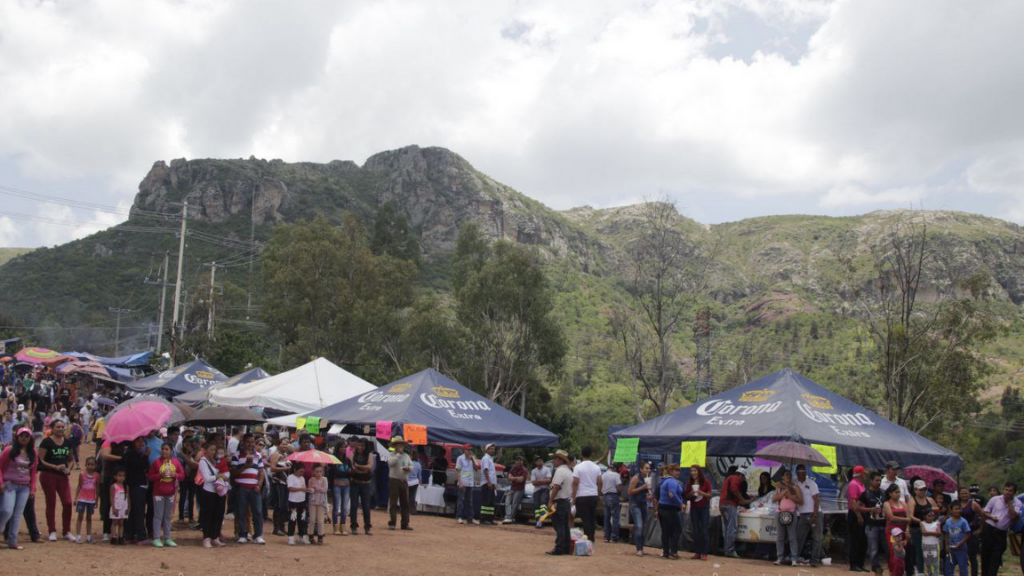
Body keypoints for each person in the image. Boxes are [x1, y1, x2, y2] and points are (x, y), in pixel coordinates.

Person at [37, 418, 75, 542]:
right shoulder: (46, 442)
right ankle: (52, 530)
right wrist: (55, 466)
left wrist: (69, 468)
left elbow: (71, 459)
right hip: (48, 475)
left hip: (63, 476)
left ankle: (66, 531)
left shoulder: (67, 442)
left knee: (68, 502)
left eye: (62, 427)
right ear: (52, 428)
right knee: (51, 502)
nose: (60, 429)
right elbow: (41, 460)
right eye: (57, 427)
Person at [0, 427, 38, 550]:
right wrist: (1, 483)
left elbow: (33, 472)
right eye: (22, 435)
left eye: (27, 436)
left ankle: (12, 541)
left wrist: (32, 488)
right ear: (17, 437)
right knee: (6, 511)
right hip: (10, 484)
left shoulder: (33, 452)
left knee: (17, 514)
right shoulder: (9, 450)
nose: (24, 438)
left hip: (24, 487)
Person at [231, 433, 266, 544]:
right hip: (241, 487)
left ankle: (258, 535)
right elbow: (234, 473)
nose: (250, 444)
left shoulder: (258, 456)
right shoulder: (236, 455)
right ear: (243, 443)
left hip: (254, 487)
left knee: (258, 512)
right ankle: (243, 534)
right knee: (241, 511)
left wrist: (259, 485)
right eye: (248, 442)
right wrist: (246, 465)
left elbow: (261, 473)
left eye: (252, 442)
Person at [979, 482, 1020, 576]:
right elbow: (984, 512)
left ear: (1014, 492)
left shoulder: (1018, 503)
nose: (1008, 492)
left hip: (1001, 534)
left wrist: (1009, 502)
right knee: (985, 556)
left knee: (996, 558)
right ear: (1003, 489)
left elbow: (1013, 516)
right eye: (1006, 490)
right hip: (989, 530)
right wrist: (991, 517)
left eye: (1010, 491)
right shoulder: (995, 499)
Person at [147, 443, 183, 548]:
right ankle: (157, 538)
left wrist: (175, 475)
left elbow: (182, 475)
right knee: (158, 516)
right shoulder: (156, 462)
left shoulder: (176, 462)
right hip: (158, 493)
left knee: (167, 516)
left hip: (170, 493)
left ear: (171, 451)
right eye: (162, 449)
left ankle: (167, 538)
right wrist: (159, 475)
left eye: (167, 449)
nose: (164, 451)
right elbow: (150, 476)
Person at [197, 440, 228, 548]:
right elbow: (206, 478)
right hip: (208, 491)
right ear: (205, 450)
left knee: (218, 515)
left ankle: (215, 537)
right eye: (211, 450)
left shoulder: (216, 461)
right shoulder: (203, 461)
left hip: (218, 491)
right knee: (208, 515)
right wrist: (218, 476)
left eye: (214, 450)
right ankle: (206, 537)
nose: (213, 452)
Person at [771, 467, 802, 566]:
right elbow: (774, 499)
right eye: (786, 475)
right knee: (780, 537)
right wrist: (782, 494)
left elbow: (801, 501)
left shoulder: (795, 487)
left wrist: (790, 496)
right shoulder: (779, 487)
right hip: (780, 512)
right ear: (783, 477)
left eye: (790, 474)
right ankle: (780, 557)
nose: (788, 476)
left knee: (792, 537)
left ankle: (794, 558)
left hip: (791, 513)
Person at [123, 436, 151, 544]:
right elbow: (138, 466)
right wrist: (146, 455)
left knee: (135, 510)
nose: (140, 443)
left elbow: (146, 467)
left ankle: (130, 534)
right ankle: (141, 536)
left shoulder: (137, 453)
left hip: (139, 484)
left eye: (141, 441)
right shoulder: (131, 454)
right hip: (135, 484)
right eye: (138, 441)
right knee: (138, 510)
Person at [545, 449, 573, 556]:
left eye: (555, 459)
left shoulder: (560, 471)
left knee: (559, 525)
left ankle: (559, 548)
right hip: (566, 501)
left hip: (559, 501)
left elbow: (556, 487)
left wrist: (550, 500)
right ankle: (566, 547)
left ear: (561, 460)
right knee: (565, 525)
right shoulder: (569, 471)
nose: (553, 461)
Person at [571, 445, 602, 542]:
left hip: (582, 496)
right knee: (592, 518)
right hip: (593, 495)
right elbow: (600, 482)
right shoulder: (596, 467)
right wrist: (598, 494)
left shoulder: (578, 467)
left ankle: (588, 539)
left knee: (585, 519)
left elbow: (575, 483)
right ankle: (591, 538)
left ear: (581, 454)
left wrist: (574, 496)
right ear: (591, 454)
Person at [860, 471, 888, 576]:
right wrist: (870, 509)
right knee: (873, 549)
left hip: (884, 524)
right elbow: (857, 507)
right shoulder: (866, 493)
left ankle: (890, 567)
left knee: (888, 548)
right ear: (871, 481)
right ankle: (876, 569)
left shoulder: (884, 493)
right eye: (876, 480)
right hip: (872, 525)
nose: (879, 482)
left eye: (880, 480)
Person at [720, 464, 750, 558]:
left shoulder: (729, 478)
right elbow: (734, 490)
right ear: (741, 475)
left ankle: (727, 550)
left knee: (727, 528)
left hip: (723, 504)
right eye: (743, 478)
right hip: (729, 505)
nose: (742, 480)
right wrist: (743, 500)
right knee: (732, 528)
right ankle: (730, 550)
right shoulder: (734, 478)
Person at [794, 464, 821, 567]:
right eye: (800, 471)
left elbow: (816, 500)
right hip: (803, 514)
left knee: (816, 538)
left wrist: (815, 515)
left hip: (815, 513)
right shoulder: (795, 484)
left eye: (803, 471)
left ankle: (814, 560)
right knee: (799, 537)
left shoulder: (812, 483)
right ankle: (795, 557)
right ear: (797, 472)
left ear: (806, 472)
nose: (802, 473)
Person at [683, 464, 712, 560]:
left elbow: (709, 495)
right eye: (691, 471)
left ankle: (705, 552)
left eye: (695, 471)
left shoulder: (706, 482)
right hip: (694, 508)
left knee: (704, 530)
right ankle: (697, 552)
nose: (693, 473)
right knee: (695, 530)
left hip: (704, 507)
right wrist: (691, 494)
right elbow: (686, 496)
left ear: (699, 472)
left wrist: (701, 492)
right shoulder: (689, 483)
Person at [655, 464, 683, 559]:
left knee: (666, 531)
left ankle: (666, 552)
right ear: (671, 472)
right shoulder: (672, 482)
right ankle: (673, 552)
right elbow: (671, 494)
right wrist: (680, 503)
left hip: (662, 508)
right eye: (676, 470)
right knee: (677, 530)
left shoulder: (665, 481)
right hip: (670, 509)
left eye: (679, 470)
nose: (678, 472)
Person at [910, 479, 938, 575]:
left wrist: (930, 512)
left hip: (930, 527)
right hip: (917, 528)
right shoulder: (912, 501)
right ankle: (920, 571)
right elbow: (910, 515)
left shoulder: (929, 499)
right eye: (920, 489)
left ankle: (932, 571)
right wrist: (921, 522)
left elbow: (937, 509)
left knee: (931, 550)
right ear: (915, 490)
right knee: (920, 551)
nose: (923, 491)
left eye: (924, 489)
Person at [954, 486, 984, 576]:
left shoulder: (973, 504)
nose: (964, 495)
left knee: (972, 556)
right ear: (959, 495)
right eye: (962, 493)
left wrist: (980, 529)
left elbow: (983, 516)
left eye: (966, 493)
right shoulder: (956, 504)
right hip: (958, 533)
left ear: (969, 494)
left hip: (971, 533)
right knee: (961, 556)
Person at [886, 484, 913, 576]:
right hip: (892, 532)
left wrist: (907, 530)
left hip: (902, 531)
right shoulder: (887, 504)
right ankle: (893, 571)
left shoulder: (903, 503)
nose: (898, 494)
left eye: (899, 492)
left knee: (902, 552)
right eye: (896, 492)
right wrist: (905, 520)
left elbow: (908, 518)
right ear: (890, 493)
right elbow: (891, 517)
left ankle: (900, 572)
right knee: (894, 551)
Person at [387, 436, 413, 531]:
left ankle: (405, 523)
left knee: (405, 503)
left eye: (401, 444)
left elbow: (411, 465)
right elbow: (391, 463)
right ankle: (392, 523)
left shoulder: (406, 455)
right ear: (395, 446)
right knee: (393, 502)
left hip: (404, 481)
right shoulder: (391, 455)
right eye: (399, 445)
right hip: (394, 480)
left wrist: (409, 468)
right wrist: (398, 455)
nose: (400, 446)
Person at [349, 438, 374, 535]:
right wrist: (363, 470)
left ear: (365, 446)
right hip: (355, 483)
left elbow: (370, 467)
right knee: (354, 505)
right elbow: (352, 467)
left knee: (366, 506)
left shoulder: (369, 455)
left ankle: (367, 527)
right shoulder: (352, 455)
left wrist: (358, 467)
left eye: (362, 446)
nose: (360, 447)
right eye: (359, 445)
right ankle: (354, 526)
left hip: (366, 484)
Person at [269, 438, 293, 536]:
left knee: (284, 505)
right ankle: (276, 527)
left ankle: (282, 526)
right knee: (278, 505)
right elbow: (272, 467)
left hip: (285, 483)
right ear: (278, 445)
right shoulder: (276, 455)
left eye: (286, 444)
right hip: (278, 482)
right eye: (283, 444)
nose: (285, 446)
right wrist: (285, 468)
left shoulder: (287, 455)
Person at [847, 465, 869, 572]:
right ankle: (854, 563)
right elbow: (853, 501)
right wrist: (859, 516)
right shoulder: (853, 484)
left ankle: (861, 563)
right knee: (856, 539)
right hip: (855, 513)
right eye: (864, 473)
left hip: (862, 512)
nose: (865, 475)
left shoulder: (861, 485)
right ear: (860, 474)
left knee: (863, 540)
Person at [73, 455, 99, 544]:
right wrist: (76, 498)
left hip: (91, 499)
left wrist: (97, 499)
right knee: (80, 516)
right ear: (85, 465)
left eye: (92, 465)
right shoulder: (82, 474)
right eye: (88, 464)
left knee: (89, 517)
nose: (90, 466)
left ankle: (88, 536)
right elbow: (79, 486)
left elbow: (97, 488)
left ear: (95, 466)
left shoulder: (96, 476)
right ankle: (78, 536)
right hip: (82, 499)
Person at [944, 501, 971, 576]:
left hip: (961, 548)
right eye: (956, 509)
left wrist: (960, 543)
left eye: (959, 509)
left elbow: (968, 534)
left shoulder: (963, 521)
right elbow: (946, 533)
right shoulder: (948, 521)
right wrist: (946, 545)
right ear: (951, 510)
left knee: (963, 567)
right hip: (951, 548)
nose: (958, 511)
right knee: (949, 568)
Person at [329, 442, 350, 535]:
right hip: (336, 484)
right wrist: (346, 473)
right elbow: (335, 473)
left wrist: (345, 474)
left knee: (344, 507)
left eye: (344, 447)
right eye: (341, 447)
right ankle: (335, 526)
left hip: (346, 485)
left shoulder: (348, 460)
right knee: (337, 506)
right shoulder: (333, 460)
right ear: (337, 448)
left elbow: (350, 472)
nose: (343, 449)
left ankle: (343, 525)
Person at [286, 463, 309, 545]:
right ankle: (290, 537)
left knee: (302, 520)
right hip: (293, 501)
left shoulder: (302, 478)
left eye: (303, 472)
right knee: (293, 519)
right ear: (295, 470)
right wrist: (301, 489)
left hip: (302, 500)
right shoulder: (290, 477)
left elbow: (304, 488)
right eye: (300, 471)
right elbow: (290, 488)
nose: (302, 473)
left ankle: (302, 536)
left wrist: (306, 489)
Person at [600, 459, 622, 542]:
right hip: (613, 496)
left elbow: (600, 484)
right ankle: (614, 537)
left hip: (605, 496)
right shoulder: (616, 475)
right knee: (615, 517)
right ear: (615, 468)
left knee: (606, 517)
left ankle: (606, 537)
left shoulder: (603, 475)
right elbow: (619, 486)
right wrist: (619, 494)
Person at [502, 455, 528, 525]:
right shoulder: (513, 468)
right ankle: (508, 516)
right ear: (515, 461)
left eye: (520, 460)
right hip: (512, 488)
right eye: (517, 460)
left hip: (520, 489)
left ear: (522, 461)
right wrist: (516, 478)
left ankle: (511, 518)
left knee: (514, 503)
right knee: (507, 502)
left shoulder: (524, 470)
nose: (519, 461)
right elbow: (509, 477)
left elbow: (521, 480)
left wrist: (513, 478)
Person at [307, 464, 328, 545]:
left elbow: (325, 490)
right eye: (317, 472)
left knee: (320, 520)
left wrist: (316, 487)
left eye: (320, 471)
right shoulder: (311, 480)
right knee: (312, 520)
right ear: (313, 472)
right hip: (312, 502)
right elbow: (311, 491)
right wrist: (311, 487)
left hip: (321, 502)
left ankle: (320, 536)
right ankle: (311, 536)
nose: (319, 473)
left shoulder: (324, 479)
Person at [455, 445, 476, 525]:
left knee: (469, 501)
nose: (469, 451)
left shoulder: (472, 458)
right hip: (463, 482)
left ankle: (470, 518)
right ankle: (459, 517)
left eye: (471, 450)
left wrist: (472, 460)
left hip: (470, 483)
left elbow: (476, 468)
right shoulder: (460, 458)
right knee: (461, 500)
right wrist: (460, 482)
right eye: (468, 450)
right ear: (464, 450)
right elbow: (457, 470)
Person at [531, 456, 552, 528]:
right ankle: (537, 521)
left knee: (543, 504)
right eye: (538, 461)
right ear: (535, 463)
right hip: (536, 491)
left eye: (541, 460)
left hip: (545, 489)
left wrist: (539, 480)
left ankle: (541, 520)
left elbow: (549, 480)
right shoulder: (534, 471)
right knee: (536, 507)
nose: (540, 462)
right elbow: (533, 483)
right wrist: (544, 480)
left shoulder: (547, 469)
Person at [108, 468, 128, 545]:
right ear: (115, 477)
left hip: (123, 507)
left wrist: (128, 507)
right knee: (114, 522)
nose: (121, 477)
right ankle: (113, 537)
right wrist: (113, 507)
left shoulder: (126, 486)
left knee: (121, 523)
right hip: (116, 506)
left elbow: (128, 497)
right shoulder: (113, 486)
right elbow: (111, 497)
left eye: (123, 476)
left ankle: (121, 537)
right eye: (119, 476)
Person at [479, 443, 497, 524]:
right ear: (487, 450)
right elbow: (486, 470)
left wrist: (493, 484)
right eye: (491, 449)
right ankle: (483, 519)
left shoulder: (490, 458)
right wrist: (489, 482)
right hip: (487, 483)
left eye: (493, 449)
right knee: (486, 502)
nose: (493, 450)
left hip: (491, 483)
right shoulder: (486, 458)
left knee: (491, 502)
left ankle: (489, 519)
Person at [921, 509, 941, 576]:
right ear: (924, 516)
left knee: (935, 563)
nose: (931, 517)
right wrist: (934, 533)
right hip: (925, 545)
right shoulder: (922, 523)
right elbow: (923, 533)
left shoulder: (937, 523)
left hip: (934, 545)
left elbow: (938, 533)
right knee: (927, 563)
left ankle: (935, 574)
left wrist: (928, 533)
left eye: (932, 516)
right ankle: (930, 574)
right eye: (929, 516)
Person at [408, 450, 422, 515]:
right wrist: (420, 482)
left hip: (407, 481)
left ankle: (406, 509)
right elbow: (419, 475)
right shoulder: (418, 464)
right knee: (412, 496)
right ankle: (413, 510)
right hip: (415, 482)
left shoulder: (408, 463)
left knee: (406, 496)